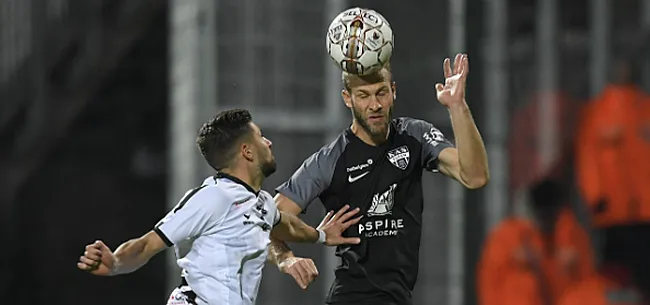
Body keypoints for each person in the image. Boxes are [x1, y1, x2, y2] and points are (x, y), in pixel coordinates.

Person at [76, 109, 362, 305]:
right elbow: (148, 244)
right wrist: (114, 263)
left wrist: (321, 236)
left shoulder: (260, 202)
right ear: (247, 151)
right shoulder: (213, 198)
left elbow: (285, 225)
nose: (269, 141)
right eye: (261, 136)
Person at [268, 54, 489, 305]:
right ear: (347, 99)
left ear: (393, 91)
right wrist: (289, 256)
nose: (375, 104)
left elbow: (475, 176)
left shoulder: (415, 136)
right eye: (363, 95)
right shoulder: (330, 160)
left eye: (381, 92)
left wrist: (458, 106)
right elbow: (266, 222)